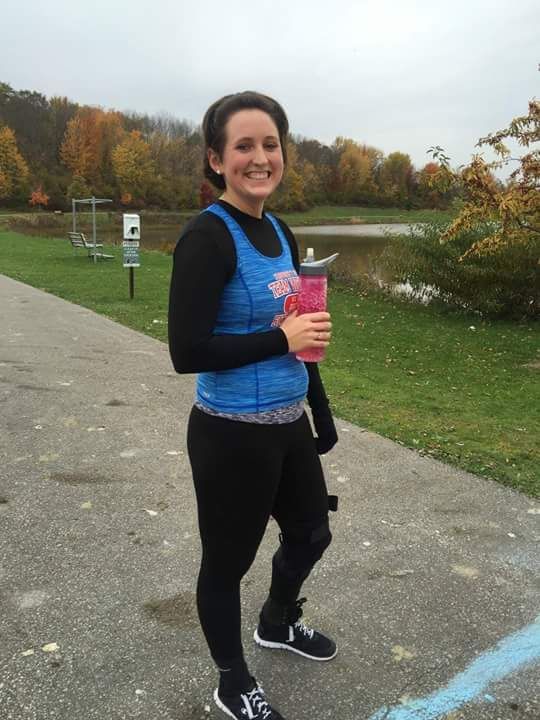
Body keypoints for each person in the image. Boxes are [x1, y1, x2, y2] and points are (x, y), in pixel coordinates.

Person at [168, 91, 339, 720]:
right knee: (227, 562)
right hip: (229, 432)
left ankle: (276, 622)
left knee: (311, 532)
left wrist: (318, 411)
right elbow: (187, 350)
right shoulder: (206, 239)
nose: (259, 157)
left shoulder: (280, 229)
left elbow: (299, 331)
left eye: (270, 144)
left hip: (288, 422)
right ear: (216, 159)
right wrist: (281, 338)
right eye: (243, 146)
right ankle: (232, 677)